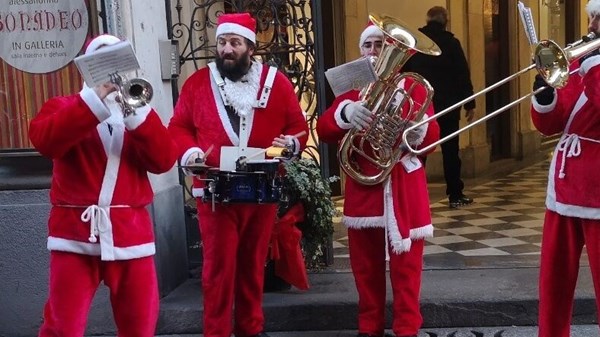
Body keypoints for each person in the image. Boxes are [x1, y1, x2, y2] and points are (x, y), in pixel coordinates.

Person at [168, 13, 308, 337]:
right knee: (217, 271)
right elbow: (178, 127)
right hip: (215, 193)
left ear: (250, 48)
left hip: (261, 191)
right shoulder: (197, 83)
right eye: (221, 42)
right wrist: (190, 152)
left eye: (234, 42)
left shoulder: (277, 83)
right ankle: (216, 332)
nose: (226, 50)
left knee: (252, 266)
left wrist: (289, 144)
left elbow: (298, 128)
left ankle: (250, 328)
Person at [29, 34, 178, 336]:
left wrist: (137, 115)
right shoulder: (63, 106)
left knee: (140, 325)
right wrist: (93, 101)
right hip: (74, 235)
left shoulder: (137, 114)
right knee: (62, 326)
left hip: (130, 234)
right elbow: (46, 141)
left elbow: (163, 160)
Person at [316, 22, 440, 337]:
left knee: (407, 272)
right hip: (364, 191)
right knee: (365, 269)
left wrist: (415, 127)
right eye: (368, 45)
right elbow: (325, 129)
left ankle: (407, 328)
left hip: (404, 190)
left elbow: (434, 138)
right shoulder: (351, 90)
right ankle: (368, 328)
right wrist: (345, 114)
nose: (373, 52)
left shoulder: (414, 87)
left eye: (379, 45)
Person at [531, 1, 600, 336]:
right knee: (553, 282)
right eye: (592, 18)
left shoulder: (591, 64)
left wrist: (593, 67)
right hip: (565, 184)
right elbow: (553, 124)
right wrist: (544, 94)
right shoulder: (584, 62)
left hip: (598, 188)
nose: (593, 26)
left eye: (599, 19)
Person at [402, 6, 476, 208]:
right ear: (446, 21)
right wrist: (469, 103)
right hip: (448, 106)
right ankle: (455, 194)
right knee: (450, 152)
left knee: (419, 151)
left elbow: (404, 73)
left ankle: (416, 197)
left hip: (420, 107)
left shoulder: (415, 43)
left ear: (427, 21)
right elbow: (462, 74)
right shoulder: (451, 43)